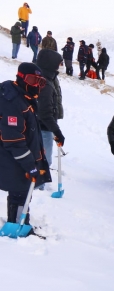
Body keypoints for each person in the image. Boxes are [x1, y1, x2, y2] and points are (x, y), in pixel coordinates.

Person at [0, 62, 52, 231]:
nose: (36, 85)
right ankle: (17, 226)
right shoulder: (12, 101)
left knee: (21, 191)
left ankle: (20, 223)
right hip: (13, 158)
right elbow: (13, 139)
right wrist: (30, 165)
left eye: (39, 81)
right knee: (19, 192)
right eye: (32, 80)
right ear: (21, 77)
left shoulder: (23, 97)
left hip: (21, 157)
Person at [35, 49, 65, 184]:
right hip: (43, 125)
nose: (60, 66)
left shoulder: (50, 76)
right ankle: (40, 184)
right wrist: (57, 130)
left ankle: (40, 179)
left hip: (46, 123)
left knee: (43, 154)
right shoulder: (45, 82)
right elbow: (44, 111)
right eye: (59, 63)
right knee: (44, 157)